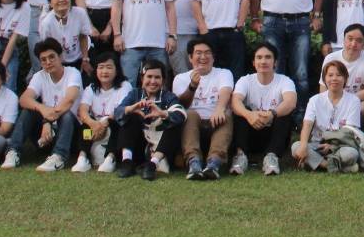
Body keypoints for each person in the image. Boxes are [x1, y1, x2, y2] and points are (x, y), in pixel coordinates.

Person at [250, 0, 325, 129]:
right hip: (272, 21)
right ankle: (278, 115)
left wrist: (317, 15)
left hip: (300, 23)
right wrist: (255, 17)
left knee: (301, 72)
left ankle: (300, 115)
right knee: (275, 70)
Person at [5, 38, 82, 171]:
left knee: (67, 115)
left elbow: (68, 101)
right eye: (43, 59)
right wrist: (41, 109)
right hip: (45, 134)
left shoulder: (73, 73)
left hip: (71, 132)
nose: (48, 62)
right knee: (28, 110)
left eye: (52, 57)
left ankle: (59, 157)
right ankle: (13, 152)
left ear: (61, 57)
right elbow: (24, 99)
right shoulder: (40, 76)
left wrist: (47, 120)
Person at [111, 59, 187, 180]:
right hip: (140, 145)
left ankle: (152, 165)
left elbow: (181, 114)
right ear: (142, 79)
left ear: (163, 80)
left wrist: (163, 113)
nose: (153, 81)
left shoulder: (168, 96)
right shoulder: (135, 94)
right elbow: (117, 112)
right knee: (130, 115)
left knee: (174, 122)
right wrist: (131, 108)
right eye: (149, 76)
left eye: (157, 77)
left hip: (162, 149)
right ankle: (126, 162)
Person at [230, 42, 298, 176]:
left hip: (274, 135)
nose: (263, 61)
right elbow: (235, 101)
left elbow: (291, 102)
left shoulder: (285, 81)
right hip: (250, 133)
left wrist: (272, 114)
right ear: (253, 62)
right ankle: (240, 156)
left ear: (275, 62)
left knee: (284, 113)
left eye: (268, 57)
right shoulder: (245, 80)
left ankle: (271, 157)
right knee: (241, 111)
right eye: (259, 57)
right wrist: (249, 115)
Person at [174, 35, 234, 180]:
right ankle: (194, 162)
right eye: (198, 53)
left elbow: (226, 91)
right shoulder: (181, 78)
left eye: (207, 53)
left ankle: (214, 163)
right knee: (190, 114)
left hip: (215, 123)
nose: (203, 57)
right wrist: (192, 86)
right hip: (192, 127)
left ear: (213, 57)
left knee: (226, 114)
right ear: (190, 57)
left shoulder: (224, 73)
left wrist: (219, 109)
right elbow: (181, 105)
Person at [293, 59, 364, 172]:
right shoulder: (315, 100)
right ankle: (330, 165)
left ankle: (314, 163)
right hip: (317, 144)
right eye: (330, 75)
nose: (334, 79)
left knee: (351, 154)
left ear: (345, 78)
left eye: (339, 75)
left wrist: (332, 147)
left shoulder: (354, 100)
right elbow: (307, 125)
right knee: (296, 147)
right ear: (324, 79)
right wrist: (303, 145)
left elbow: (351, 131)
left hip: (340, 146)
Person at [75, 52, 131, 173]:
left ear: (117, 70)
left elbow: (121, 110)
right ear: (96, 70)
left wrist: (103, 123)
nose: (104, 71)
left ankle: (111, 158)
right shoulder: (91, 88)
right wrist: (92, 124)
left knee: (117, 123)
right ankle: (82, 158)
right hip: (95, 129)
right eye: (101, 67)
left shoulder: (124, 86)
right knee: (84, 125)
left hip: (112, 125)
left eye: (109, 67)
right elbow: (83, 110)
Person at [319, 23, 364, 134]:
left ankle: (359, 132)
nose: (353, 44)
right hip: (333, 99)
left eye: (359, 41)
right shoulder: (331, 58)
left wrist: (346, 100)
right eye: (350, 39)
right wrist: (334, 102)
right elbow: (323, 88)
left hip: (357, 100)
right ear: (344, 39)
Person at [37, 0, 93, 76]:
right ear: (50, 2)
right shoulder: (46, 23)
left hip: (80, 57)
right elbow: (47, 49)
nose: (61, 0)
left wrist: (85, 59)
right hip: (58, 62)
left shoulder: (80, 13)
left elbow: (83, 37)